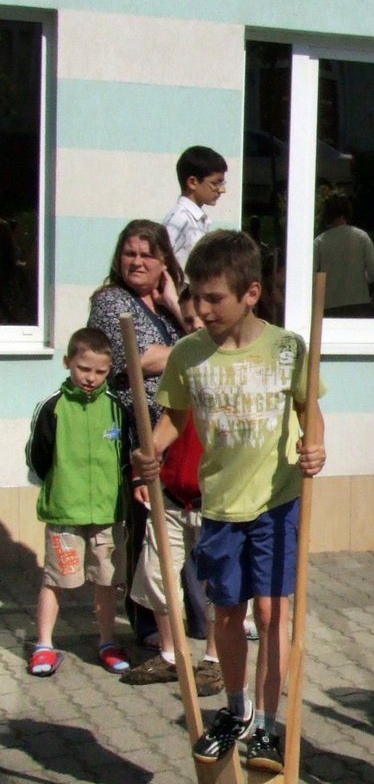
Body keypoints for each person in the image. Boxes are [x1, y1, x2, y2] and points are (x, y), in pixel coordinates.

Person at [132, 230, 325, 774]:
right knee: (227, 614)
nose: (201, 309)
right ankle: (236, 711)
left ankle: (267, 724)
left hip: (276, 502)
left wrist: (315, 445)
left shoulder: (287, 349)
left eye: (214, 298)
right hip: (218, 506)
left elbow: (309, 409)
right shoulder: (189, 355)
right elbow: (173, 418)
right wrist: (151, 450)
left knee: (271, 613)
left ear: (251, 293)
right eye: (195, 296)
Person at [87, 220, 188, 649]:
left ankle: (178, 613)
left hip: (178, 431)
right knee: (144, 526)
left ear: (165, 262)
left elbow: (208, 341)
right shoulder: (111, 301)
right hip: (136, 431)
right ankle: (147, 622)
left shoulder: (169, 306)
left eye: (148, 254)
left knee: (177, 526)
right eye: (130, 253)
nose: (137, 261)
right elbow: (139, 358)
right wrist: (190, 348)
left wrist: (176, 305)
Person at [122, 288, 225, 694]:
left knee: (218, 584)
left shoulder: (230, 370)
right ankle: (170, 655)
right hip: (169, 491)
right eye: (187, 321)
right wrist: (143, 470)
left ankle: (215, 660)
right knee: (156, 573)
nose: (195, 327)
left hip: (215, 498)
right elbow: (164, 425)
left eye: (200, 319)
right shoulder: (181, 365)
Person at [26, 328, 132, 677]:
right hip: (65, 511)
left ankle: (107, 641)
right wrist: (62, 485)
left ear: (109, 370)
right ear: (67, 362)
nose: (91, 378)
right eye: (84, 369)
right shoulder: (52, 407)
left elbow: (126, 456)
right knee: (56, 579)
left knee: (107, 581)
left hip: (107, 512)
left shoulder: (116, 408)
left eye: (100, 371)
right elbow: (38, 457)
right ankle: (44, 645)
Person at [314, 191, 374, 317]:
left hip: (329, 304)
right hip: (359, 302)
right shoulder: (361, 237)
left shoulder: (319, 242)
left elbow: (312, 276)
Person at [162, 146, 228, 269]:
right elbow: (159, 260)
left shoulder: (198, 220)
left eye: (222, 183)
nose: (222, 190)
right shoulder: (179, 218)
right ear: (192, 182)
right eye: (215, 183)